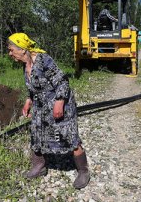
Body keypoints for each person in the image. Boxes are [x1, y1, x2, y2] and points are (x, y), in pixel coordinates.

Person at [7, 32, 90, 189]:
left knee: (69, 136)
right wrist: (27, 102)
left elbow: (63, 82)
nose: (9, 53)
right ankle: (39, 167)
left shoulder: (44, 60)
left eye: (11, 50)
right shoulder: (25, 65)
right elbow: (32, 88)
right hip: (41, 106)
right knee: (36, 133)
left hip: (60, 104)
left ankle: (83, 171)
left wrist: (59, 102)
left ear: (23, 49)